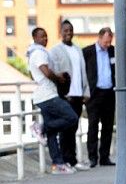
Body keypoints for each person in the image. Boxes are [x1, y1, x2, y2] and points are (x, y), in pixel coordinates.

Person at [27, 27, 79, 175]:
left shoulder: (34, 53)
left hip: (44, 95)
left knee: (51, 134)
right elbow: (46, 71)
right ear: (35, 38)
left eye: (46, 36)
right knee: (71, 117)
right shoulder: (38, 53)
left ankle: (58, 164)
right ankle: (40, 128)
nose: (45, 39)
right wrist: (59, 77)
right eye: (42, 36)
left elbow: (34, 75)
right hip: (47, 96)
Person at [50, 19, 91, 171]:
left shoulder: (78, 50)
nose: (68, 33)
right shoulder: (55, 50)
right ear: (61, 32)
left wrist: (86, 92)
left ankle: (72, 160)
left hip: (78, 95)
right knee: (65, 129)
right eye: (65, 30)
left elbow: (83, 73)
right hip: (65, 95)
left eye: (70, 30)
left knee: (73, 128)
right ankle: (65, 160)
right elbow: (54, 73)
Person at [83, 27, 116, 168]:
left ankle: (104, 157)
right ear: (100, 37)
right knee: (93, 125)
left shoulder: (112, 50)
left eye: (109, 42)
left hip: (109, 92)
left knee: (108, 126)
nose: (108, 45)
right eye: (106, 42)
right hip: (94, 94)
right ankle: (92, 157)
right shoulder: (87, 52)